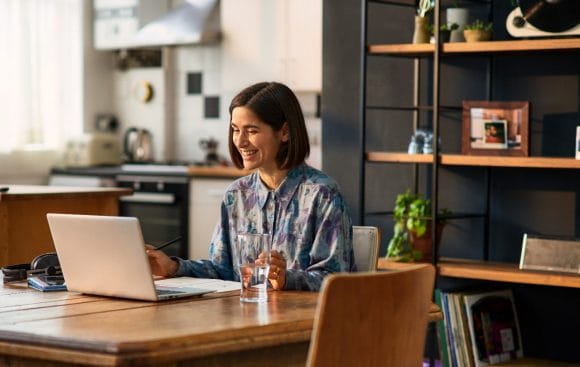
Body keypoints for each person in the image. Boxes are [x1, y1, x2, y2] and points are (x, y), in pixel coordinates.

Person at [146, 81, 355, 291]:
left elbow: (335, 279)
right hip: (245, 315)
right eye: (236, 130)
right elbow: (222, 270)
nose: (240, 142)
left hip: (303, 320)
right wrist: (173, 267)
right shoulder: (236, 195)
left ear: (284, 132)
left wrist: (285, 279)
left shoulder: (323, 195)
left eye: (251, 131)